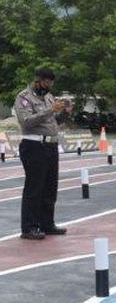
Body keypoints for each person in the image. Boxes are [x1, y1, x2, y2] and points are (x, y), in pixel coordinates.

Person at [13, 68, 71, 240]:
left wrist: (65, 113)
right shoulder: (24, 97)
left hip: (51, 145)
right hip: (34, 145)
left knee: (50, 187)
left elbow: (54, 122)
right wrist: (50, 110)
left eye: (51, 83)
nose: (49, 86)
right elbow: (26, 122)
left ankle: (47, 223)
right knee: (34, 187)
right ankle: (29, 227)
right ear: (37, 81)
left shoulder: (49, 97)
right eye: (46, 83)